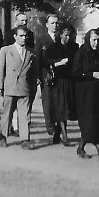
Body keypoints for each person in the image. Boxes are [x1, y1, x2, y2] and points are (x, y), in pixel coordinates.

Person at [73, 29, 99, 162]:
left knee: (97, 121)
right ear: (88, 39)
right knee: (90, 122)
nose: (96, 43)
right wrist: (91, 75)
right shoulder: (81, 53)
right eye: (93, 40)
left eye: (98, 40)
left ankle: (81, 148)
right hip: (85, 94)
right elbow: (75, 73)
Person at [0, 25, 37, 148]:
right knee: (7, 113)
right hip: (10, 87)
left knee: (25, 115)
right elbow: (0, 70)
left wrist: (33, 88)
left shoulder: (31, 52)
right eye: (21, 36)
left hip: (24, 88)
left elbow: (33, 73)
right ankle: (3, 136)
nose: (24, 38)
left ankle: (25, 139)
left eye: (25, 36)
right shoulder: (6, 50)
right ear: (15, 36)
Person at [43, 23, 77, 146]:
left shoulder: (74, 47)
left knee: (64, 108)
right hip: (57, 82)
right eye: (66, 35)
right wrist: (58, 63)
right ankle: (65, 136)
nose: (68, 38)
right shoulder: (53, 47)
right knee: (61, 108)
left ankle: (57, 135)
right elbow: (46, 62)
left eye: (70, 36)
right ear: (61, 34)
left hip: (69, 81)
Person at [35, 14, 62, 142]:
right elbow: (38, 59)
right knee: (48, 101)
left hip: (60, 75)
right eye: (52, 23)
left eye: (56, 23)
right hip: (47, 74)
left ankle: (59, 127)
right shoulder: (41, 39)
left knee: (59, 101)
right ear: (47, 25)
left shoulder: (61, 38)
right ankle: (50, 126)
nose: (55, 25)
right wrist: (38, 76)